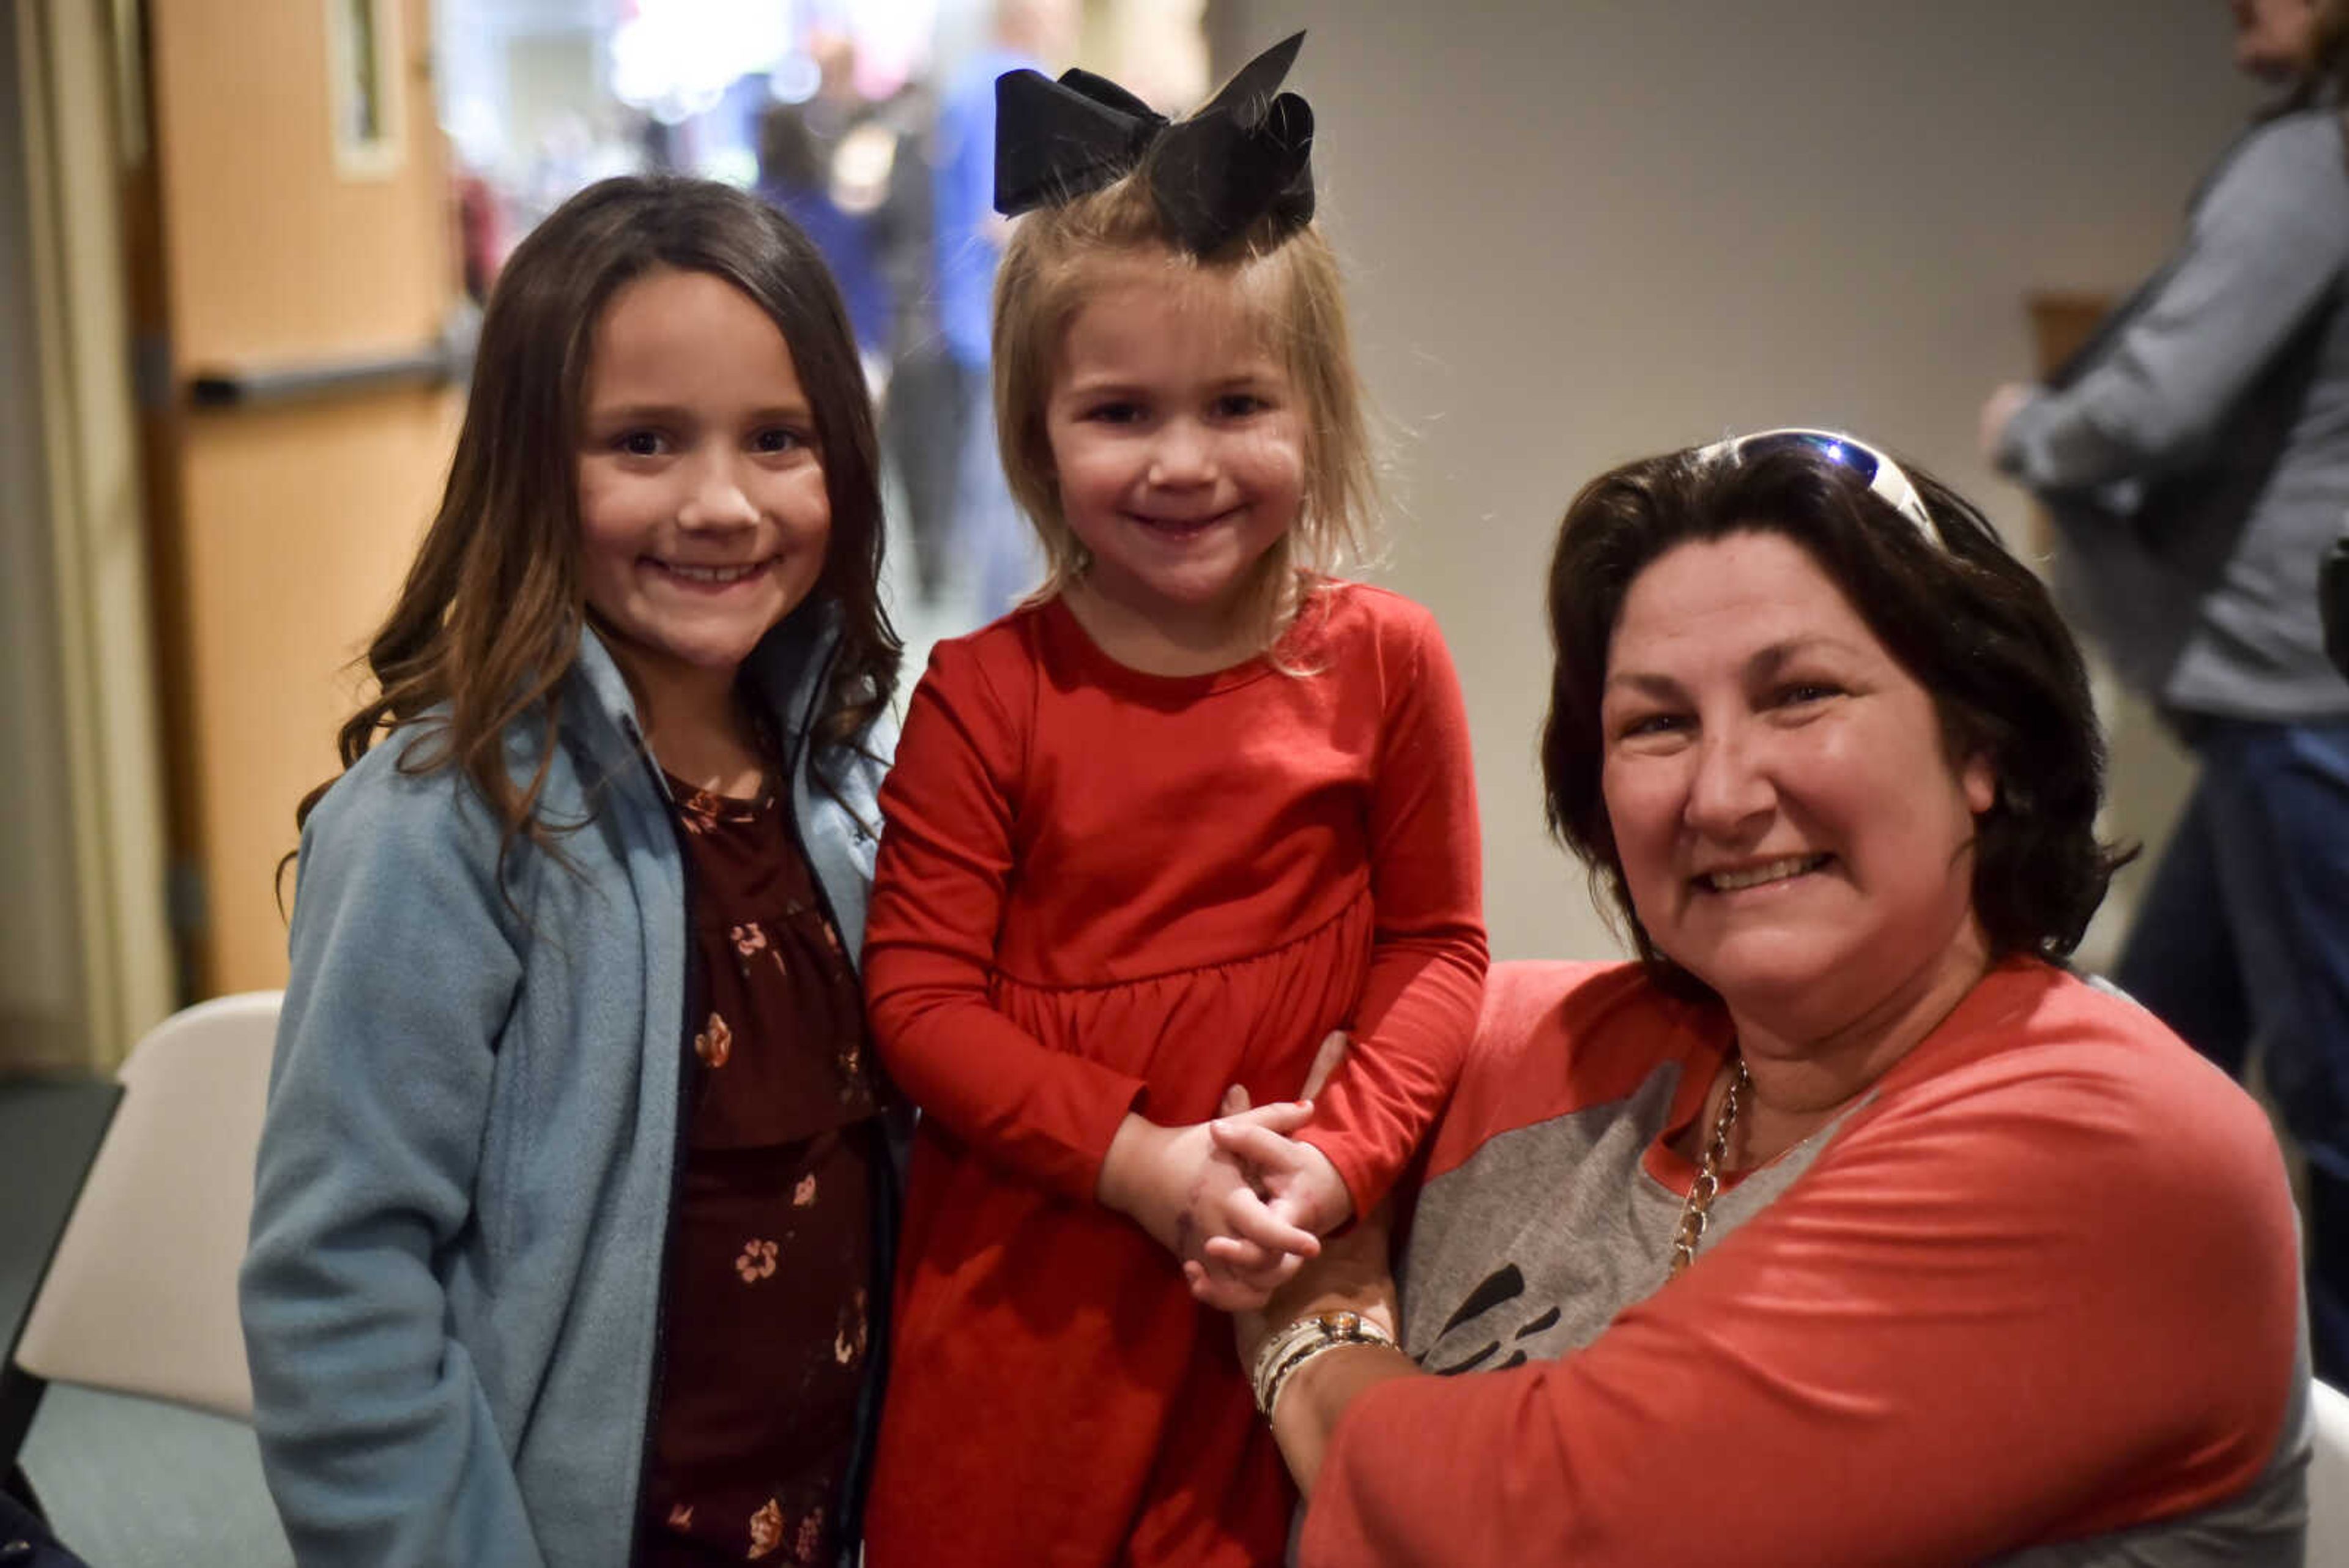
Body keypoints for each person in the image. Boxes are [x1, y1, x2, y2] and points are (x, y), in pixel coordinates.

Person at [1233, 432, 2310, 1566]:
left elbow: (1557, 1524)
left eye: (1801, 695)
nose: (1723, 793)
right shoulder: (1505, 1050)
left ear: (1979, 744)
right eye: (1656, 723)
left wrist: (1314, 1348)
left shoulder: (2112, 1140)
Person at [857, 35, 1488, 1568]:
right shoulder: (985, 693)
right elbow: (920, 999)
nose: (1184, 462)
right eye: (1121, 413)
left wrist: (1334, 1161)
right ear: (1036, 435)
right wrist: (1143, 1163)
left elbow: (1438, 949)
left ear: (1317, 414)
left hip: (1276, 1265)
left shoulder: (1390, 663)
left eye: (1237, 406)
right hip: (1040, 1289)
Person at [239, 176, 900, 1568]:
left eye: (777, 438)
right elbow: (337, 1288)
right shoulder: (445, 824)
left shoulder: (852, 787)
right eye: (645, 442)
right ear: (533, 466)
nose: (719, 502)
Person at [1981, 0, 2349, 1384]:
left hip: (2296, 699)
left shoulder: (2316, 157)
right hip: (2282, 700)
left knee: (2332, 1105)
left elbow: (2148, 405)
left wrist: (2030, 427)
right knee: (2155, 1049)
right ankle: (2104, 1379)